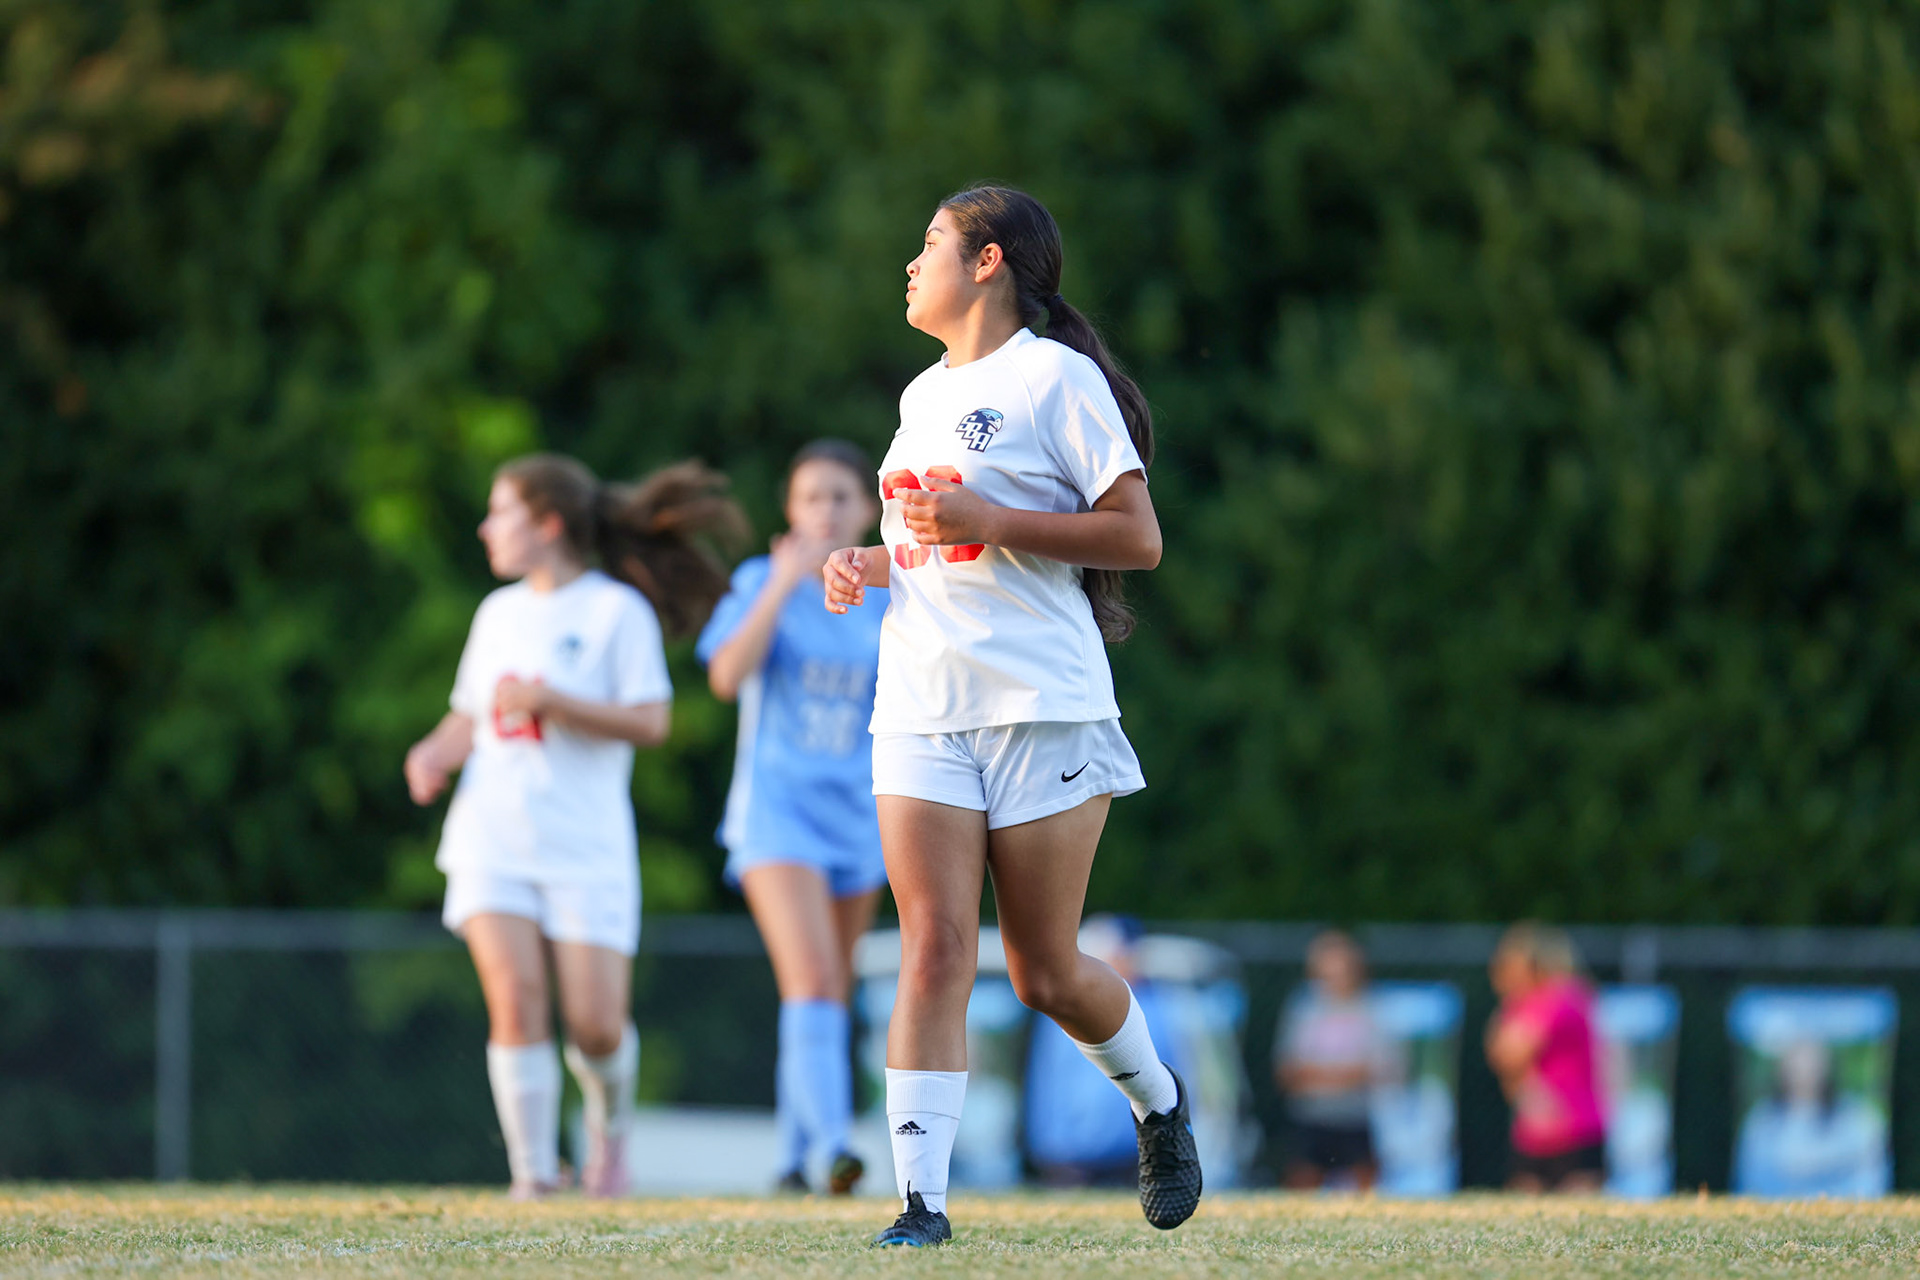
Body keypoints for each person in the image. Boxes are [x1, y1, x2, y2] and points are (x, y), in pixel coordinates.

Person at [823, 184, 1201, 1247]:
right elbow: (930, 549)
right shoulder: (916, 395)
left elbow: (1137, 537)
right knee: (933, 945)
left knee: (1042, 970)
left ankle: (1158, 1100)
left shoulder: (1054, 376)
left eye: (929, 241)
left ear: (988, 261)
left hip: (1044, 706)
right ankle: (920, 1203)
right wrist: (870, 562)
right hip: (921, 707)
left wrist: (997, 518)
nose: (911, 262)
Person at [404, 454, 745, 1200]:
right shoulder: (497, 612)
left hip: (584, 847)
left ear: (549, 524)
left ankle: (607, 1138)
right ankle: (532, 1175)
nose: (486, 527)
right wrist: (434, 753)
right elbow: (470, 714)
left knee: (594, 1027)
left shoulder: (612, 611)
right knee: (515, 1000)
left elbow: (652, 721)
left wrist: (555, 702)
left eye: (502, 512)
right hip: (493, 836)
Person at [696, 439, 889, 1196]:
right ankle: (837, 1145)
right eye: (811, 497)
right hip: (777, 815)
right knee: (810, 977)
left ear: (868, 509)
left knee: (825, 990)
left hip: (858, 815)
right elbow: (724, 675)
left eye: (840, 496)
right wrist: (778, 586)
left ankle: (790, 1158)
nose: (825, 511)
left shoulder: (888, 587)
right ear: (789, 510)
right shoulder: (758, 581)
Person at [1023, 916, 1183, 1187]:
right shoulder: (1060, 1016)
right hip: (1072, 1156)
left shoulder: (1155, 1005)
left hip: (1131, 1151)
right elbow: (1048, 1080)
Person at [1484, 922, 1607, 1193]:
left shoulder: (1563, 996)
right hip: (1535, 1131)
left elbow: (1511, 1052)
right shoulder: (1528, 1003)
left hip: (1574, 1128)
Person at [1274, 930, 1379, 1191]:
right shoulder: (1303, 1010)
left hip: (1354, 1116)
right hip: (1311, 1116)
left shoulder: (1369, 1010)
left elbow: (1376, 1069)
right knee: (1303, 1177)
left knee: (1365, 1177)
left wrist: (1319, 1076)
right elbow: (1288, 1071)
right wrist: (1343, 1076)